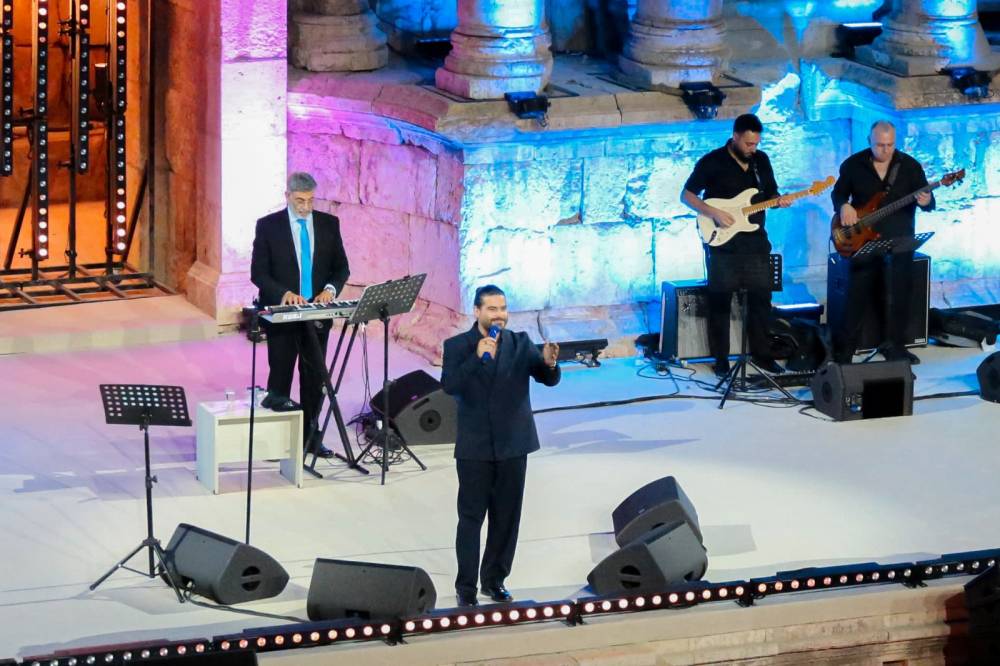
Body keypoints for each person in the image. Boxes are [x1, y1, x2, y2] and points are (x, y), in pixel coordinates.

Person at [441, 285, 560, 607]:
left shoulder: (520, 343)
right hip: (475, 448)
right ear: (477, 311)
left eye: (503, 309)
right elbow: (449, 385)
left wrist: (549, 364)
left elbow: (546, 378)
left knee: (506, 519)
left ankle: (494, 581)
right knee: (471, 520)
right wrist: (477, 358)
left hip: (513, 445)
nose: (499, 316)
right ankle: (466, 588)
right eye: (492, 309)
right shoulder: (457, 346)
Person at [682, 113, 791, 378]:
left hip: (755, 242)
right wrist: (713, 212)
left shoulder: (761, 161)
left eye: (756, 144)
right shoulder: (713, 161)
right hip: (724, 245)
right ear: (735, 137)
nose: (753, 148)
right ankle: (721, 359)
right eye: (748, 144)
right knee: (720, 301)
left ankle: (763, 355)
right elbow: (687, 195)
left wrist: (779, 200)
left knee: (761, 300)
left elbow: (770, 193)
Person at [250, 172, 350, 457]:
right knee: (280, 376)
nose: (305, 207)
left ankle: (310, 437)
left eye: (310, 200)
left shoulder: (329, 224)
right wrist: (283, 293)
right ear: (288, 196)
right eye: (299, 201)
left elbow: (341, 268)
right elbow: (258, 273)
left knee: (314, 378)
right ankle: (277, 442)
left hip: (316, 314)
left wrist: (330, 290)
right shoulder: (268, 226)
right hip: (284, 315)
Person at [830, 120, 934, 364]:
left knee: (900, 295)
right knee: (857, 296)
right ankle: (845, 352)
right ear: (869, 141)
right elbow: (839, 193)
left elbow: (929, 202)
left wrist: (927, 201)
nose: (885, 150)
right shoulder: (853, 165)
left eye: (890, 145)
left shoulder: (910, 166)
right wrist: (843, 206)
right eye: (879, 145)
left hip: (900, 239)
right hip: (863, 241)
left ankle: (896, 347)